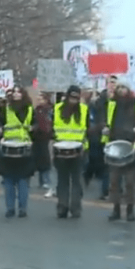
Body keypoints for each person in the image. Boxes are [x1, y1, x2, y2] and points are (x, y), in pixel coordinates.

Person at [103, 82, 135, 222]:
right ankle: (115, 209)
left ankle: (130, 210)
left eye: (124, 87)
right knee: (114, 181)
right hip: (114, 146)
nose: (121, 90)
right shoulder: (111, 105)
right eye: (119, 88)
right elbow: (103, 120)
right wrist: (104, 128)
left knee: (130, 182)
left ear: (129, 89)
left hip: (131, 147)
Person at [0, 86, 36, 218]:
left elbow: (36, 125)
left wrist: (33, 128)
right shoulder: (6, 109)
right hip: (8, 148)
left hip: (24, 148)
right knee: (8, 180)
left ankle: (22, 208)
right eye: (14, 92)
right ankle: (10, 208)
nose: (16, 94)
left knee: (23, 180)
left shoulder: (30, 110)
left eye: (19, 91)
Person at [52, 85, 89, 218]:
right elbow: (52, 127)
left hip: (78, 149)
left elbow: (88, 129)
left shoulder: (84, 110)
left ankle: (74, 208)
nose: (74, 99)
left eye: (76, 97)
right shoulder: (57, 109)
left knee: (76, 180)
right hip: (61, 149)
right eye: (72, 96)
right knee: (63, 180)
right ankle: (63, 207)